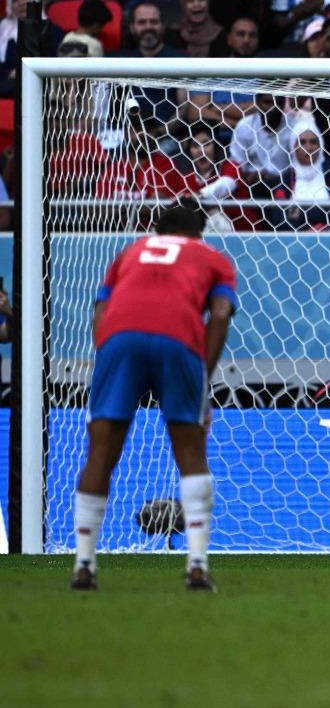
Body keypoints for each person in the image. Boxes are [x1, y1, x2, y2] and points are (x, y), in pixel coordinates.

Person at [70, 197, 237, 592]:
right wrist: (202, 377)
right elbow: (222, 313)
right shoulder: (212, 257)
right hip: (178, 339)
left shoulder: (130, 252)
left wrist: (109, 356)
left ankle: (83, 566)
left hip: (119, 338)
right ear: (199, 233)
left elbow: (99, 309)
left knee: (101, 452)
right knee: (190, 451)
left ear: (158, 232)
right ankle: (197, 566)